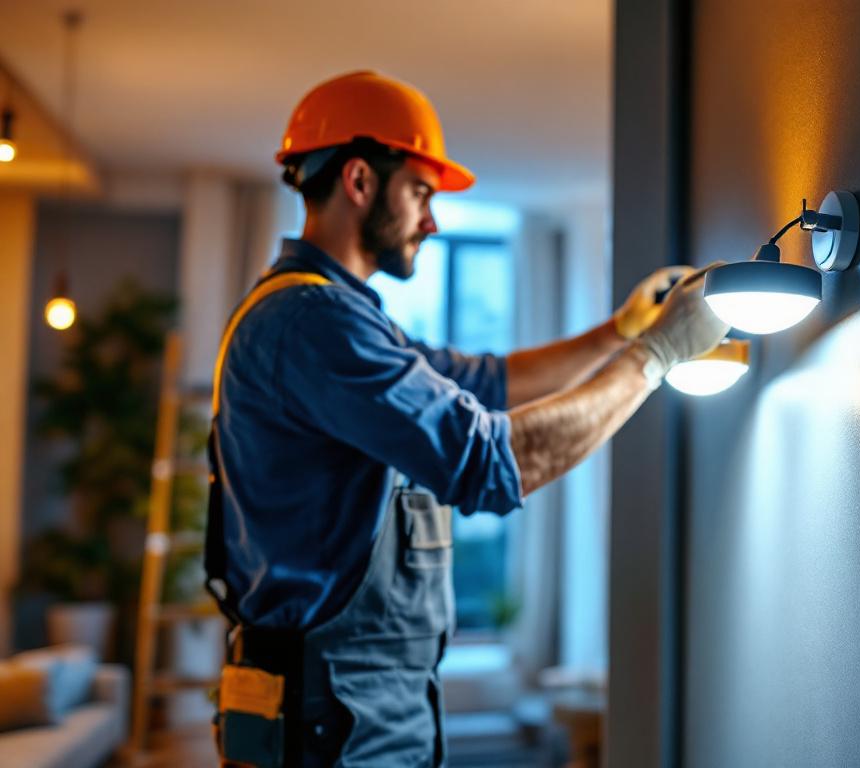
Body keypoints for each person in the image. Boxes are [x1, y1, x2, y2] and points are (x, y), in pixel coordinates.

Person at [205, 70, 727, 767]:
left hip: (350, 710)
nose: (432, 219)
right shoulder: (313, 322)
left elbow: (483, 383)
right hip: (327, 721)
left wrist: (619, 334)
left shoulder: (340, 315)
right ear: (360, 180)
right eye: (420, 190)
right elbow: (488, 462)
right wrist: (658, 355)